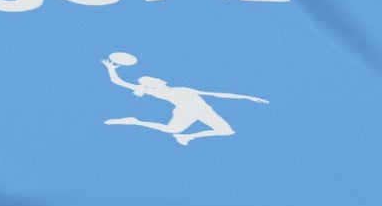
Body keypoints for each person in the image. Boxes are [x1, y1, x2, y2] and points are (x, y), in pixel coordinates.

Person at [102, 52, 267, 146]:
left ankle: (188, 136)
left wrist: (248, 97)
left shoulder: (183, 89)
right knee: (171, 130)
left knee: (227, 131)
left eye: (154, 78)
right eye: (152, 80)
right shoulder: (159, 93)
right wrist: (111, 68)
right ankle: (134, 121)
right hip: (185, 113)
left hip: (204, 111)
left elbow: (217, 94)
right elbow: (118, 82)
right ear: (153, 85)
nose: (158, 78)